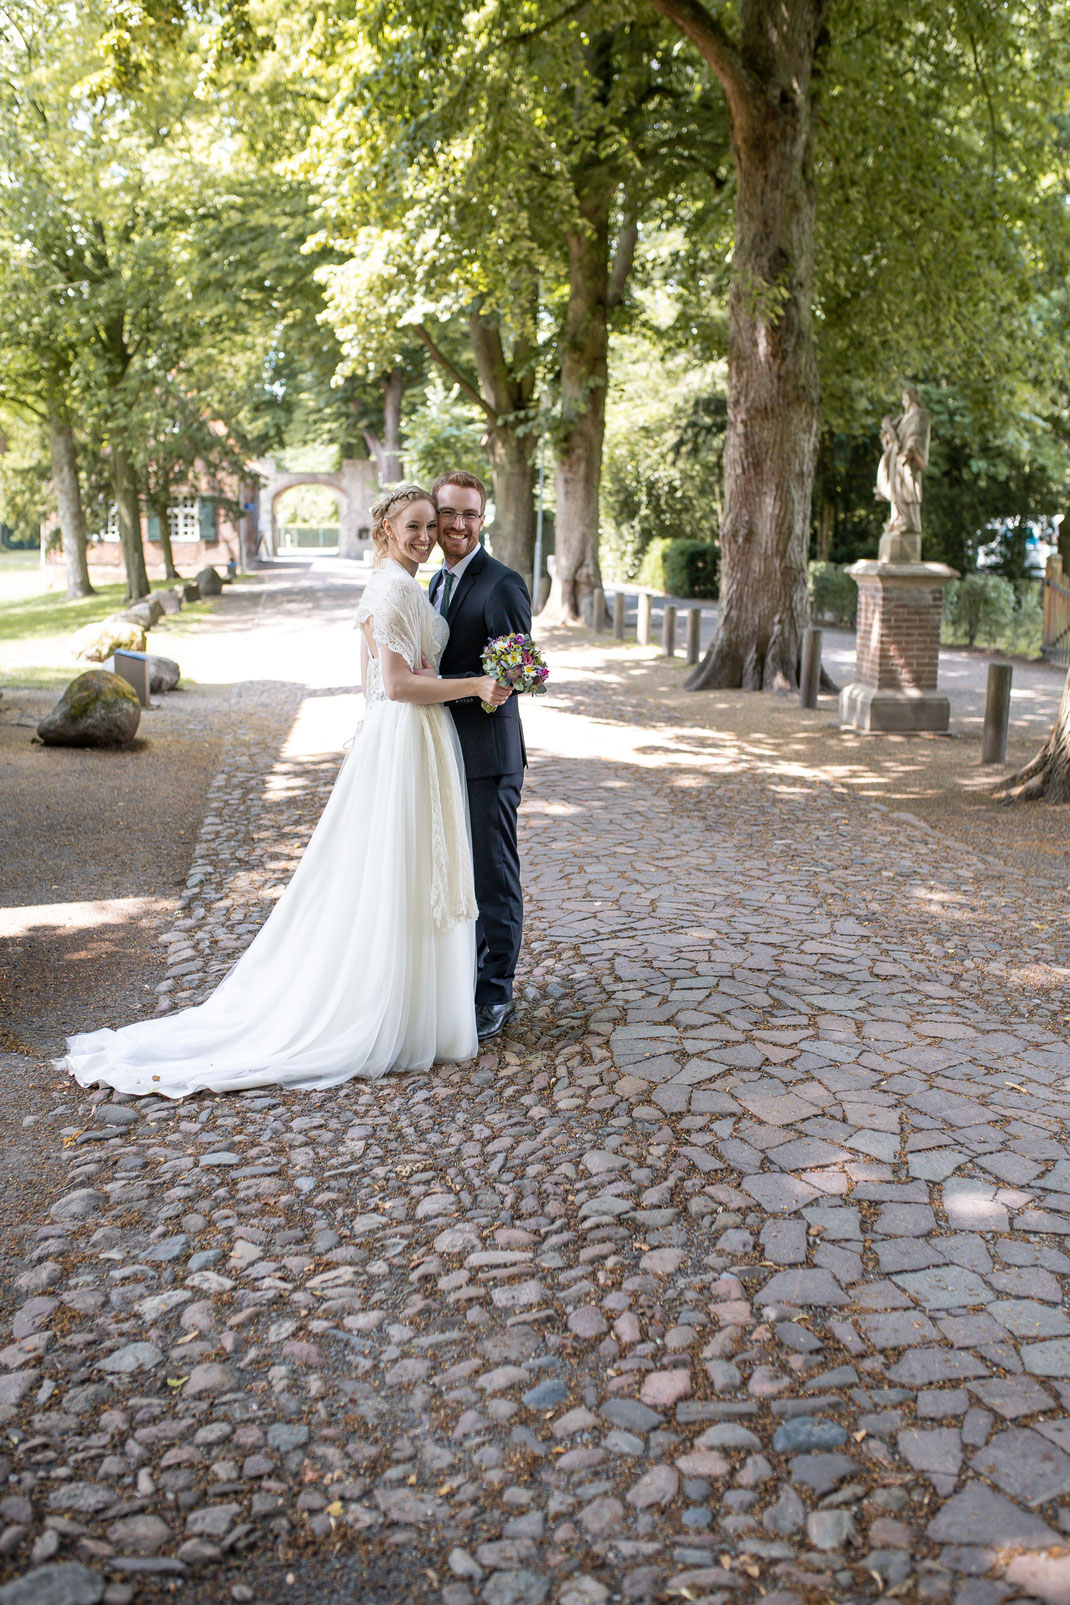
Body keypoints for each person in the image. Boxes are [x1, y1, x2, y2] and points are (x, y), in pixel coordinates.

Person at [62, 484, 512, 1098]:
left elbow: (374, 687)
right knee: (402, 868)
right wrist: (473, 686)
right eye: (415, 525)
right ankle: (394, 1008)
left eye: (431, 525)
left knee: (407, 868)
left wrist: (388, 726)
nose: (427, 536)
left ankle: (419, 1002)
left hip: (406, 739)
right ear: (385, 527)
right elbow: (398, 686)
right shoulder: (394, 587)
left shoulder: (402, 583)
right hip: (409, 732)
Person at [430, 470, 531, 1042]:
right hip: (442, 752)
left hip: (489, 757)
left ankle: (495, 992)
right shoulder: (434, 585)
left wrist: (465, 684)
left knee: (493, 876)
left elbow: (514, 673)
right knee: (454, 872)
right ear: (436, 516)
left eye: (470, 515)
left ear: (483, 517)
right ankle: (462, 978)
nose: (460, 525)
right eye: (450, 514)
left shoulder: (502, 584)